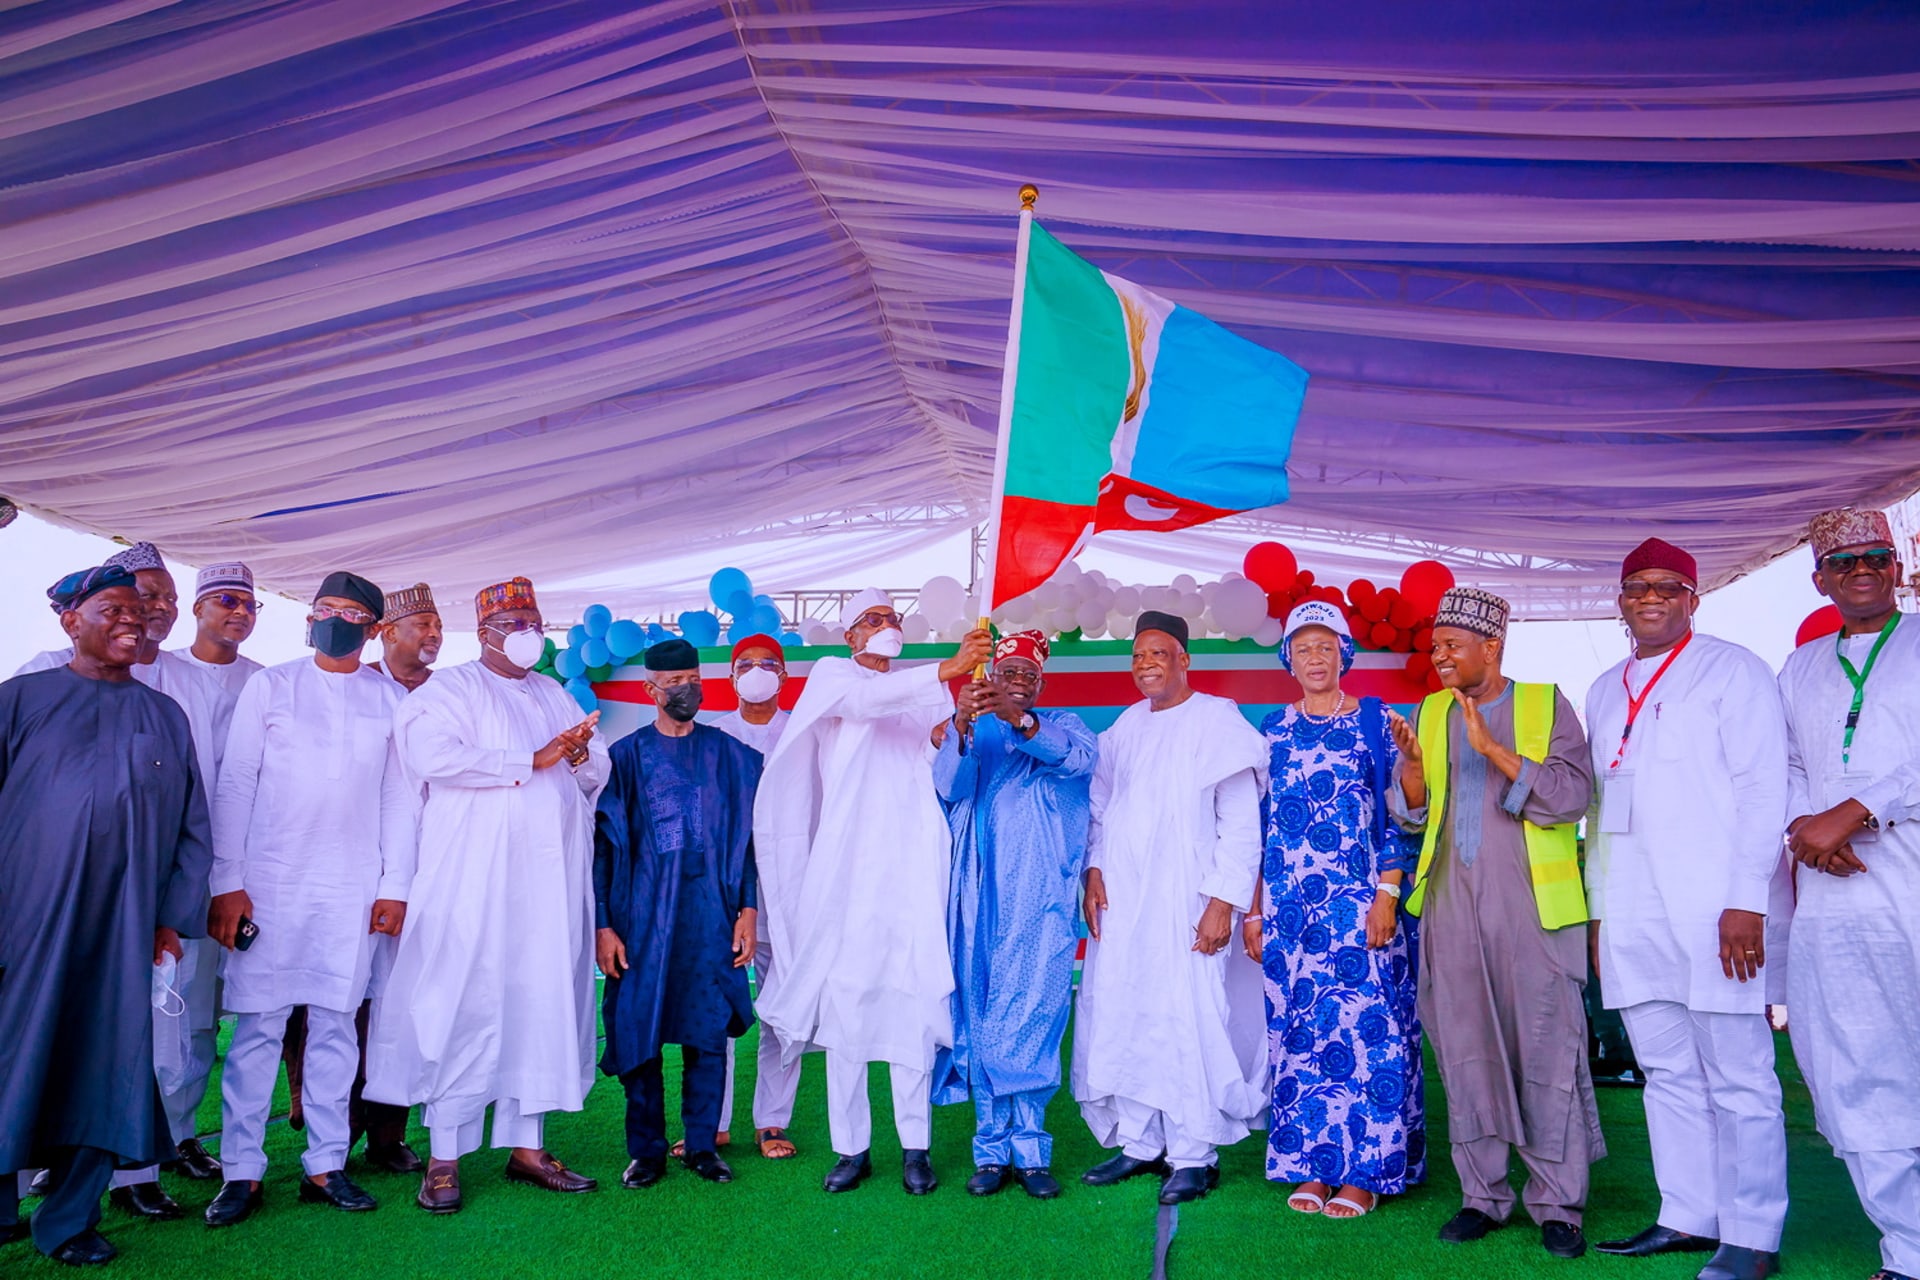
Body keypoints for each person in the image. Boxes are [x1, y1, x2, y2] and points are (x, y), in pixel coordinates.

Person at [365, 577, 608, 1214]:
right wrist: (532, 758)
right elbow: (434, 759)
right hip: (472, 883)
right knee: (464, 1004)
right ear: (485, 633)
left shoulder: (554, 692)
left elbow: (595, 770)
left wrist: (579, 756)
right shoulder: (448, 691)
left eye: (535, 621)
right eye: (516, 622)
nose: (530, 631)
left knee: (538, 1001)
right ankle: (444, 1158)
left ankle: (528, 1148)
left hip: (547, 887)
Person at [1583, 539, 1791, 1280]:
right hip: (1633, 909)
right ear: (1620, 600)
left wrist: (1746, 900)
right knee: (1666, 1071)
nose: (1651, 596)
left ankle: (1753, 1233)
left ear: (1693, 599)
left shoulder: (1734, 670)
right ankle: (1688, 1216)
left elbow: (1766, 789)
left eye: (1668, 586)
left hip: (1716, 909)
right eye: (1637, 585)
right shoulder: (1603, 689)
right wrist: (1601, 912)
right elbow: (1601, 808)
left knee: (1739, 1074)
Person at [13, 544, 238, 1215]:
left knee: (112, 1061)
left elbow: (193, 825)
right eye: (114, 610)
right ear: (71, 621)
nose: (134, 620)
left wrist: (169, 917)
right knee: (18, 1050)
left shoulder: (164, 712)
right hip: (28, 918)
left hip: (128, 922)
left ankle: (76, 1215)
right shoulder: (21, 697)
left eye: (140, 611)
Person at [753, 589, 992, 1195]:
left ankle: (916, 1149)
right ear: (851, 635)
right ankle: (851, 1149)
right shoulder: (834, 676)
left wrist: (954, 722)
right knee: (847, 1011)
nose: (889, 626)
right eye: (875, 619)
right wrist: (948, 668)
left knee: (911, 1005)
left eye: (893, 617)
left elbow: (927, 757)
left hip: (909, 862)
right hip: (847, 872)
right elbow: (867, 703)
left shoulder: (925, 687)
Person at [1389, 586, 1600, 1259]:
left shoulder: (1544, 703)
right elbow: (1414, 814)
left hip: (1532, 908)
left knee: (1544, 1047)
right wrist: (1412, 768)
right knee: (1465, 1046)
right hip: (1451, 902)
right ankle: (1482, 1196)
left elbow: (1572, 797)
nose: (1439, 657)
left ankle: (1557, 1203)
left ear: (1491, 646)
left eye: (1451, 646)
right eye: (1434, 647)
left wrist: (1494, 748)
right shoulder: (1430, 711)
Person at [203, 572, 417, 1226]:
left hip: (353, 886)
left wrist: (395, 886)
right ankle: (241, 1171)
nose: (336, 621)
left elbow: (399, 798)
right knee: (258, 1029)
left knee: (335, 1026)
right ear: (308, 617)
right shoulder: (272, 686)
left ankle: (326, 1165)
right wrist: (227, 882)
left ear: (373, 630)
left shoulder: (390, 699)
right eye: (327, 609)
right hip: (269, 884)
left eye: (352, 615)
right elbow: (236, 783)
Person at [1073, 609, 1268, 1206]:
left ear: (1184, 659)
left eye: (1157, 654)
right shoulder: (1125, 727)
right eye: (1137, 656)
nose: (1145, 665)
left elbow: (1242, 824)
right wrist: (1094, 869)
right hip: (1125, 901)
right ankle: (1139, 1143)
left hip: (1189, 899)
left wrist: (1224, 903)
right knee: (1125, 1009)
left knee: (1188, 1016)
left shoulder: (1217, 721)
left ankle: (1192, 1154)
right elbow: (1101, 808)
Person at [1245, 601, 1424, 1221]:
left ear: (1344, 654)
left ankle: (1367, 1171)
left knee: (1368, 1031)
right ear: (1287, 659)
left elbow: (1405, 816)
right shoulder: (1271, 729)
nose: (1315, 658)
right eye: (1303, 648)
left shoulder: (1378, 721)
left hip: (1360, 903)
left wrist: (1387, 895)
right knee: (1300, 1033)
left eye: (1326, 646)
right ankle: (1312, 1165)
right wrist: (1254, 913)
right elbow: (1258, 827)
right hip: (1290, 910)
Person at [1777, 507, 1920, 1280]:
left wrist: (1857, 809)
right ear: (1819, 580)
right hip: (1834, 899)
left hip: (1911, 876)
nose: (1861, 569)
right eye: (1843, 561)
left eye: (1875, 556)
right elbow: (1786, 765)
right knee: (1852, 1064)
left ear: (1896, 567)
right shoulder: (1800, 668)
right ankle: (1908, 1249)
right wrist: (1807, 826)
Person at [930, 629, 1096, 1201]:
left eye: (1029, 675)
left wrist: (1020, 720)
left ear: (1040, 685)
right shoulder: (975, 731)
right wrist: (961, 724)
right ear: (990, 676)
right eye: (1009, 673)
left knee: (1034, 1017)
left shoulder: (1064, 726)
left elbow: (1077, 760)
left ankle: (1031, 1151)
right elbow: (948, 787)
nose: (1018, 681)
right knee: (980, 1018)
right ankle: (989, 1150)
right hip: (976, 901)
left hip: (1040, 904)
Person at [594, 638, 763, 1189]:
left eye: (693, 679)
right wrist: (603, 924)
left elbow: (748, 842)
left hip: (709, 915)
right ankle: (646, 1151)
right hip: (640, 920)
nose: (687, 689)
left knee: (707, 1031)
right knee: (638, 1029)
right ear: (651, 690)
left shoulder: (730, 756)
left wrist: (747, 909)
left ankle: (702, 1145)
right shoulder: (624, 757)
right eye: (674, 683)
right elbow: (602, 850)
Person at [283, 580, 437, 1171]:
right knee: (329, 1004)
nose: (433, 635)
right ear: (386, 633)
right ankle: (331, 1131)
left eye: (437, 626)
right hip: (343, 872)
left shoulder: (448, 692)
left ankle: (387, 1135)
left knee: (400, 1003)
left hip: (424, 871)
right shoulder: (350, 683)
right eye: (421, 625)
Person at [710, 633, 801, 1161]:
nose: (757, 671)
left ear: (785, 675)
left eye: (769, 663)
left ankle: (772, 1120)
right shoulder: (714, 736)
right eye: (746, 663)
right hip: (724, 897)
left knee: (781, 1014)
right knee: (716, 1015)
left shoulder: (804, 733)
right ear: (731, 675)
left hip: (788, 895)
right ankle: (713, 1122)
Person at [367, 582, 442, 692]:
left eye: (439, 627)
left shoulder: (444, 687)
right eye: (423, 624)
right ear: (390, 633)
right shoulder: (360, 682)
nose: (436, 634)